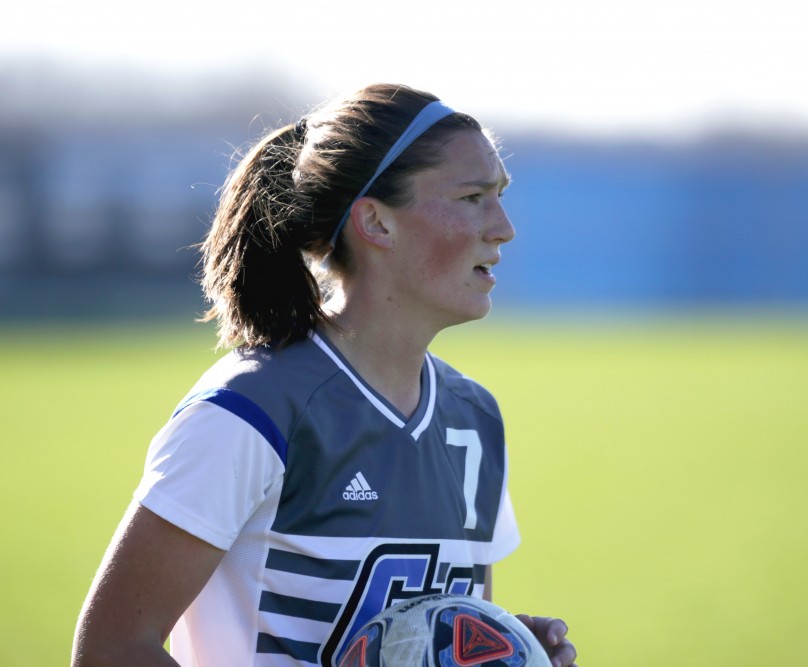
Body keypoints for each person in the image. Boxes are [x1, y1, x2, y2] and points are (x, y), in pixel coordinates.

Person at [71, 83, 577, 667]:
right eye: (471, 198)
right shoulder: (251, 410)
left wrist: (494, 647)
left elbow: (427, 636)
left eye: (500, 195)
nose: (503, 227)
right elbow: (110, 651)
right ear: (376, 223)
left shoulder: (474, 418)